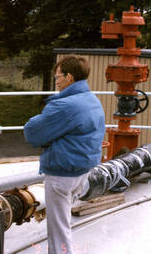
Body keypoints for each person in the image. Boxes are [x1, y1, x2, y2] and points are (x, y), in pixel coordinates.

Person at [23, 55, 105, 254]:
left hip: (61, 175)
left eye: (58, 77)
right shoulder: (92, 100)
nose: (56, 81)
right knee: (64, 221)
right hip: (81, 172)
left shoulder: (64, 105)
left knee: (59, 228)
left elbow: (32, 133)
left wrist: (39, 120)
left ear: (69, 77)